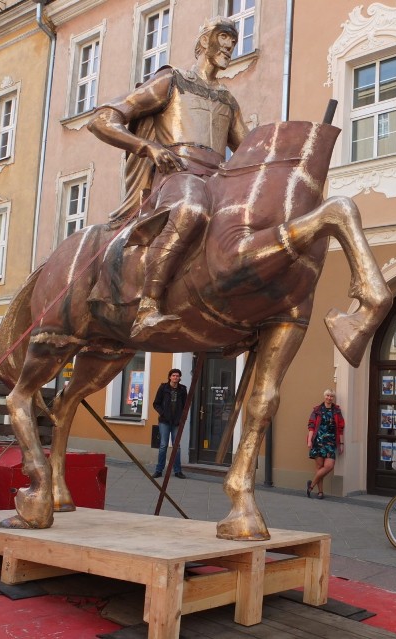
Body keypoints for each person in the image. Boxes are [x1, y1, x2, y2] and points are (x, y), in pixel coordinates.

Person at [87, 16, 249, 340]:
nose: (230, 45)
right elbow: (102, 120)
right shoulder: (172, 81)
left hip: (216, 178)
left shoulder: (228, 101)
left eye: (234, 40)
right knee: (191, 208)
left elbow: (249, 150)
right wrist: (147, 147)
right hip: (177, 175)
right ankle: (148, 305)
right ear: (204, 41)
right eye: (223, 37)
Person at [306, 389, 345, 499]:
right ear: (324, 396)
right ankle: (320, 492)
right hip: (318, 441)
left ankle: (311, 485)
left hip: (331, 442)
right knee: (319, 467)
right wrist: (309, 440)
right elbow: (311, 426)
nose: (329, 398)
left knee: (329, 466)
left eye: (331, 396)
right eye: (328, 395)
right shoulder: (317, 410)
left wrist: (341, 443)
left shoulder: (336, 411)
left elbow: (341, 428)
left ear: (333, 398)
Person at [152, 368, 188, 479]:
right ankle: (159, 470)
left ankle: (177, 471)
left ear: (179, 378)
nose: (175, 377)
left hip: (177, 422)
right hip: (164, 421)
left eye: (177, 376)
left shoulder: (182, 389)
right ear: (170, 377)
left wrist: (182, 417)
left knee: (177, 446)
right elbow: (156, 403)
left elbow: (185, 405)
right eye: (173, 376)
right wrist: (162, 413)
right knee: (163, 446)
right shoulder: (163, 388)